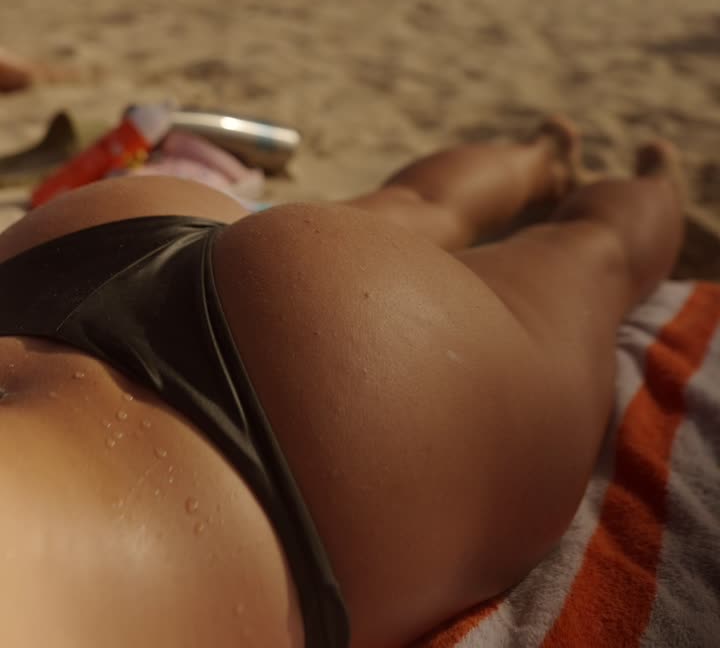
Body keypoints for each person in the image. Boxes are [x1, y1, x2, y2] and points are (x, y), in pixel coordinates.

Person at [0, 120, 688, 646]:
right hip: (57, 260)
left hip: (287, 454)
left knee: (593, 262)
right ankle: (547, 157)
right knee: (411, 203)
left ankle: (643, 186)